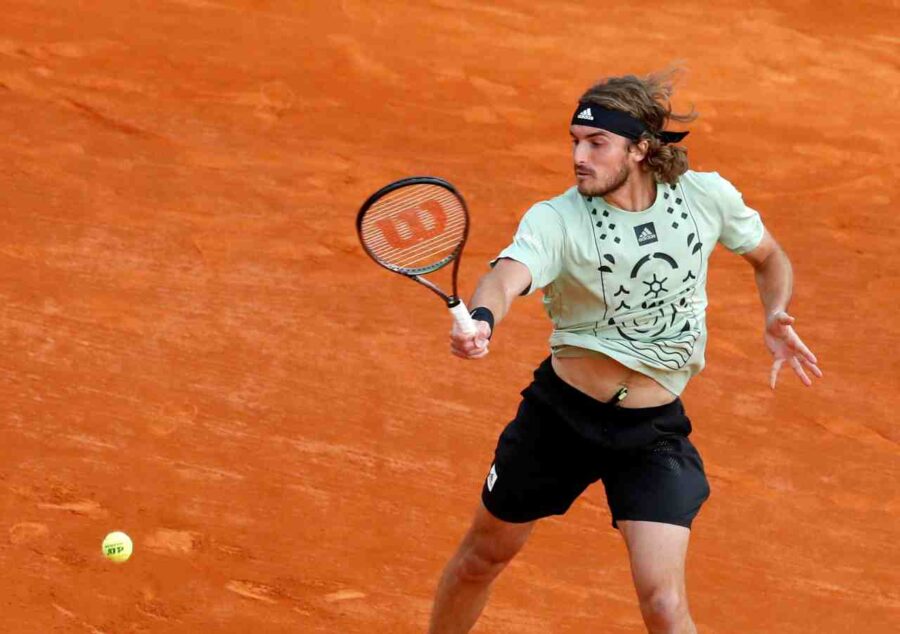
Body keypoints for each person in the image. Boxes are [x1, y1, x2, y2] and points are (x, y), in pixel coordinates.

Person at [427, 70, 822, 634]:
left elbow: (770, 257)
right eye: (574, 142)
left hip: (651, 431)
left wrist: (775, 313)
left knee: (663, 604)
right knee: (482, 558)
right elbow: (506, 275)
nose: (578, 157)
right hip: (559, 419)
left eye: (596, 143)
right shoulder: (556, 218)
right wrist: (484, 318)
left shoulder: (705, 197)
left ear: (640, 149)